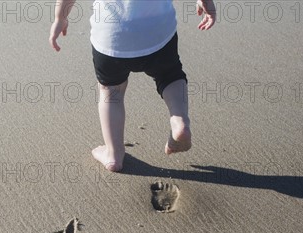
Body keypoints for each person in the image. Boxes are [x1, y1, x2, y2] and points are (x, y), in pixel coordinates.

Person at [49, 0, 216, 172]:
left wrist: (60, 18)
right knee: (170, 76)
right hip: (158, 33)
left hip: (112, 37)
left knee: (111, 92)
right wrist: (207, 5)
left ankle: (113, 153)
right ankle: (179, 120)